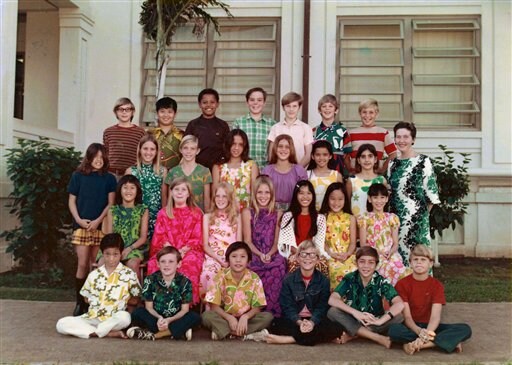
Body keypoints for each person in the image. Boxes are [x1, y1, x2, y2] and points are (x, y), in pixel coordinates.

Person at [388, 244, 472, 354]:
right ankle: (446, 342)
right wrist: (419, 332)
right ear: (410, 263)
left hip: (431, 326)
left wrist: (426, 334)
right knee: (393, 330)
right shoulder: (402, 284)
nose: (419, 262)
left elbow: (435, 317)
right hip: (411, 326)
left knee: (465, 329)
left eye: (423, 259)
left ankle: (418, 345)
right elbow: (407, 316)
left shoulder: (437, 286)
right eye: (415, 259)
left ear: (430, 264)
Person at [56, 233, 141, 339]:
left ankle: (94, 332)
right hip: (92, 318)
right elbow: (86, 298)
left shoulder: (129, 274)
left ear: (121, 254)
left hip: (113, 318)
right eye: (107, 254)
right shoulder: (94, 275)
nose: (111, 259)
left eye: (115, 254)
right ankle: (106, 332)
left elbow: (135, 299)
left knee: (125, 318)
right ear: (102, 254)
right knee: (61, 324)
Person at [68, 143, 117, 316]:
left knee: (96, 265)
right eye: (95, 157)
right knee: (82, 263)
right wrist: (79, 220)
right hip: (81, 226)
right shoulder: (78, 176)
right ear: (89, 158)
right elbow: (72, 201)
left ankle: (94, 301)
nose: (98, 160)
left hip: (99, 226)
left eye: (101, 157)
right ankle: (80, 302)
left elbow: (110, 203)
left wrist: (98, 221)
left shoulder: (109, 178)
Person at [265, 240, 344, 346]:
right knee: (275, 325)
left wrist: (311, 323)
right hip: (295, 320)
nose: (308, 258)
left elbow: (322, 307)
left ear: (317, 259)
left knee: (337, 328)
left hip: (314, 320)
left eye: (312, 255)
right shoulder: (288, 280)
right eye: (303, 254)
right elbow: (287, 307)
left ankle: (289, 339)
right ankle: (317, 338)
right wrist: (299, 322)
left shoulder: (323, 280)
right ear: (297, 258)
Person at [327, 246, 404, 348]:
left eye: (371, 262)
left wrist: (380, 321)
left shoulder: (381, 281)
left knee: (399, 316)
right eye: (362, 261)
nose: (366, 266)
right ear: (356, 263)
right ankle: (376, 337)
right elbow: (332, 299)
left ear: (376, 265)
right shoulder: (350, 278)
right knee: (332, 312)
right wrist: (356, 313)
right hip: (353, 319)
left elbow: (399, 303)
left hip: (374, 322)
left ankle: (355, 334)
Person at [387, 122, 440, 265]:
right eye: (398, 137)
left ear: (413, 139)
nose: (401, 140)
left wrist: (421, 217)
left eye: (406, 137)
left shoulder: (423, 161)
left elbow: (432, 195)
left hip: (417, 223)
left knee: (418, 259)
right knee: (397, 262)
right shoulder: (392, 164)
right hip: (396, 221)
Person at [202, 241, 273, 340]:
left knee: (267, 317)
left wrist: (245, 317)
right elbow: (213, 305)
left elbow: (257, 307)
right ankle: (246, 335)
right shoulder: (220, 276)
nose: (238, 260)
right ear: (228, 260)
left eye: (242, 257)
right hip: (225, 317)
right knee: (206, 316)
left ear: (248, 261)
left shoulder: (254, 278)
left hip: (246, 319)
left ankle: (225, 332)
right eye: (234, 256)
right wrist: (229, 318)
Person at [148, 177, 203, 305]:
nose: (179, 192)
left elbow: (197, 238)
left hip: (189, 251)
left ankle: (184, 304)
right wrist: (172, 252)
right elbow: (160, 237)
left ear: (188, 193)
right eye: (176, 189)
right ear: (171, 192)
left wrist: (183, 251)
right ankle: (161, 303)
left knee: (189, 265)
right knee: (155, 264)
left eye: (183, 189)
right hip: (167, 250)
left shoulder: (196, 213)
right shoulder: (163, 213)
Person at [127, 246, 201, 341]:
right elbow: (149, 307)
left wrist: (169, 320)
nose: (167, 265)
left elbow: (184, 310)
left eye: (171, 262)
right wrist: (159, 318)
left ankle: (157, 334)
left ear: (179, 264)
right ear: (158, 264)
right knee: (137, 313)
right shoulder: (150, 280)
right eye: (163, 261)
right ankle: (177, 331)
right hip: (155, 317)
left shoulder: (185, 282)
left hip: (175, 318)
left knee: (194, 317)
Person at [242, 175, 286, 317]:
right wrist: (260, 254)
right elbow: (247, 241)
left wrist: (270, 254)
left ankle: (273, 315)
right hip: (254, 252)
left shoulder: (278, 213)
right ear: (254, 194)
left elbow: (276, 242)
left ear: (272, 194)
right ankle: (253, 313)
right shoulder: (248, 212)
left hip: (272, 252)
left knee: (278, 266)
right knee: (250, 267)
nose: (263, 196)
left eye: (267, 192)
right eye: (260, 192)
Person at [358, 183, 410, 286]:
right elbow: (363, 243)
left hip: (390, 254)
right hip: (373, 253)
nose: (379, 201)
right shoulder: (364, 218)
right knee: (383, 269)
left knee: (399, 269)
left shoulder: (392, 218)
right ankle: (384, 296)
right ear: (369, 199)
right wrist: (378, 251)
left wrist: (391, 252)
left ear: (387, 199)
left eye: (382, 197)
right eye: (375, 197)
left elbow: (395, 243)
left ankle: (398, 297)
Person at [278, 180, 330, 276]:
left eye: (308, 193)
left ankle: (317, 291)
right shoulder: (288, 216)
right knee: (295, 264)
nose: (305, 197)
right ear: (296, 195)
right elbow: (288, 244)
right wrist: (301, 255)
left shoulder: (320, 218)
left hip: (313, 254)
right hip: (295, 253)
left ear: (313, 196)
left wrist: (310, 255)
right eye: (301, 193)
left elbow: (319, 244)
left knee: (322, 263)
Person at [102, 175, 149, 282]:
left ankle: (134, 297)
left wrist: (129, 249)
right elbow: (109, 236)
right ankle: (107, 296)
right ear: (120, 190)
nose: (128, 191)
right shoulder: (113, 210)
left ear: (137, 191)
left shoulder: (143, 210)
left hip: (134, 248)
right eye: (125, 187)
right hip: (113, 247)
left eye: (132, 188)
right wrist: (115, 252)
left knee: (132, 264)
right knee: (102, 263)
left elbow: (143, 238)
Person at [200, 183, 242, 300]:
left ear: (229, 198)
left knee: (233, 276)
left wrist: (230, 260)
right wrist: (219, 260)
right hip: (213, 256)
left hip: (232, 256)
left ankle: (230, 308)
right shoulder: (207, 217)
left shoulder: (236, 217)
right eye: (217, 196)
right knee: (209, 274)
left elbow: (239, 244)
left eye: (224, 196)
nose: (220, 199)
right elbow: (205, 245)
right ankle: (210, 310)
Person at [126, 133, 167, 242]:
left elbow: (164, 198)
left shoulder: (162, 171)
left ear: (157, 152)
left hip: (155, 218)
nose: (148, 152)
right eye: (145, 149)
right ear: (139, 150)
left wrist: (163, 220)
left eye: (152, 149)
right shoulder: (131, 171)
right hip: (136, 218)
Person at [319, 182, 357, 290]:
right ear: (327, 199)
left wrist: (347, 254)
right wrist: (331, 253)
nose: (336, 203)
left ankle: (353, 304)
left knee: (354, 271)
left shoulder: (350, 218)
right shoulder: (323, 217)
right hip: (329, 255)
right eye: (333, 199)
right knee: (337, 271)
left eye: (340, 199)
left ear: (345, 200)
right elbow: (321, 241)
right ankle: (336, 302)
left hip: (347, 255)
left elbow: (353, 242)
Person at [212, 129, 259, 211]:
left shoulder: (251, 166)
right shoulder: (218, 167)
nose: (236, 148)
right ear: (228, 144)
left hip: (245, 215)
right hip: (224, 215)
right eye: (233, 144)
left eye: (240, 144)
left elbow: (254, 194)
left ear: (245, 147)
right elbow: (214, 195)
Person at [184, 88, 230, 170]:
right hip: (197, 169)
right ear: (199, 104)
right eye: (205, 102)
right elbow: (186, 147)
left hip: (218, 168)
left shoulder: (223, 125)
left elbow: (227, 149)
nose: (208, 105)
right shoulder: (193, 124)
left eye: (212, 102)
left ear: (217, 104)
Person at [349, 98, 397, 175]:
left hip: (375, 176)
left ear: (376, 114)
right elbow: (345, 156)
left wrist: (382, 169)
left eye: (371, 112)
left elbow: (393, 154)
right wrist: (350, 169)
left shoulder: (383, 133)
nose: (367, 115)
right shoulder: (351, 133)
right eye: (364, 112)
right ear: (360, 113)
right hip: (356, 177)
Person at [233, 87, 277, 169]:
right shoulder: (239, 122)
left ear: (264, 103)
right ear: (247, 102)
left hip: (265, 170)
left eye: (259, 100)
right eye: (252, 100)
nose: (255, 103)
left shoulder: (272, 125)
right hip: (243, 169)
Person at [166, 135, 212, 212]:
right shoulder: (173, 172)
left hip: (198, 217)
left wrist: (206, 218)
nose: (188, 151)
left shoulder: (204, 171)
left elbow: (207, 199)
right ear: (180, 149)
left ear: (197, 151)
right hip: (177, 218)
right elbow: (169, 199)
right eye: (185, 148)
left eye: (192, 148)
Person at [261, 134, 308, 211]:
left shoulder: (299, 170)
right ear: (275, 148)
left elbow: (304, 194)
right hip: (271, 210)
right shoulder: (267, 171)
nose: (283, 149)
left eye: (287, 147)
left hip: (294, 211)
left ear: (291, 149)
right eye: (280, 146)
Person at [267, 92, 314, 168]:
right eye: (288, 106)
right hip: (279, 171)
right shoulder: (275, 128)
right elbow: (271, 154)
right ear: (283, 107)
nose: (291, 109)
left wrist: (297, 170)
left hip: (298, 172)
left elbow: (308, 154)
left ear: (299, 107)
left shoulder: (306, 128)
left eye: (294, 106)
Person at [103, 97, 145, 178]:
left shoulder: (140, 132)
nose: (124, 112)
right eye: (120, 109)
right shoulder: (108, 132)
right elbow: (106, 153)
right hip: (112, 174)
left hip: (132, 174)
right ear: (116, 112)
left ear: (132, 112)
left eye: (127, 109)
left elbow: (142, 154)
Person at [312, 94, 352, 177]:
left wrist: (350, 173)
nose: (327, 108)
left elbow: (347, 156)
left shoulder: (343, 131)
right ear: (319, 110)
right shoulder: (314, 131)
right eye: (324, 106)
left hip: (338, 173)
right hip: (318, 174)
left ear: (336, 110)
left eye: (330, 106)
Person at [347, 143, 388, 218]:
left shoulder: (381, 180)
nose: (367, 160)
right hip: (356, 224)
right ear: (358, 160)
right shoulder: (352, 180)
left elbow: (385, 204)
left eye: (370, 156)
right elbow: (347, 205)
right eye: (363, 157)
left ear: (375, 159)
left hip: (376, 225)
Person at [149, 96, 184, 171]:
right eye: (162, 111)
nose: (166, 115)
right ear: (157, 113)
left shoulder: (182, 135)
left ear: (175, 114)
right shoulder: (149, 134)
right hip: (154, 175)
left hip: (176, 177)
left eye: (170, 112)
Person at [307, 140, 342, 210]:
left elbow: (341, 197)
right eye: (318, 155)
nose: (321, 158)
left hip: (331, 216)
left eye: (325, 155)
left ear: (330, 156)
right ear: (312, 156)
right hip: (312, 215)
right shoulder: (306, 174)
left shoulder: (336, 175)